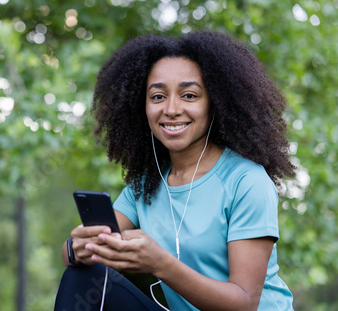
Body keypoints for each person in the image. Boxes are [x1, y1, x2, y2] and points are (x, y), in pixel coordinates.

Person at [54, 30, 296, 311]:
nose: (171, 109)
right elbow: (71, 251)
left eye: (189, 95)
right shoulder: (145, 186)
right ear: (141, 107)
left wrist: (161, 263)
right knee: (82, 276)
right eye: (157, 96)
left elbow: (243, 303)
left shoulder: (246, 181)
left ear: (214, 103)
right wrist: (78, 248)